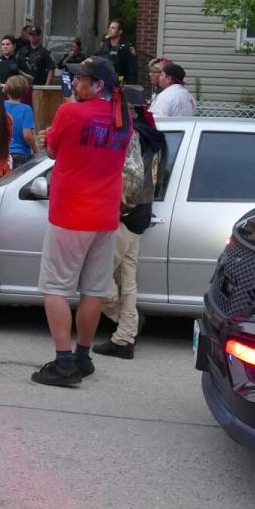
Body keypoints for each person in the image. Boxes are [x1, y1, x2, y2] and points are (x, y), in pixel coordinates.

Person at [32, 55, 132, 387]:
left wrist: (49, 136)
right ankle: (82, 358)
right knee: (93, 290)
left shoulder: (70, 112)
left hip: (70, 213)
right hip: (105, 214)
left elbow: (52, 152)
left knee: (54, 288)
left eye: (80, 79)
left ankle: (63, 364)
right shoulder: (123, 118)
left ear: (98, 85)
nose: (74, 83)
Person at [95, 98, 168, 359]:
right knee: (126, 277)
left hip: (125, 212)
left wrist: (118, 209)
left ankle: (127, 325)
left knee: (95, 276)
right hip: (142, 211)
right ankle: (124, 337)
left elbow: (131, 176)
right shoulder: (152, 135)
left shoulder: (132, 135)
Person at [4, 75, 37, 168]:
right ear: (24, 91)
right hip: (19, 153)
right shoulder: (26, 109)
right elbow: (27, 134)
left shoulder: (0, 106)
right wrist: (35, 149)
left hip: (1, 153)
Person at [97, 19, 137, 85]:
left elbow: (132, 70)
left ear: (120, 31)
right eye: (109, 27)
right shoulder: (105, 45)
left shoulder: (127, 47)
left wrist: (129, 87)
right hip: (105, 82)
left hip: (121, 84)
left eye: (113, 28)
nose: (109, 30)